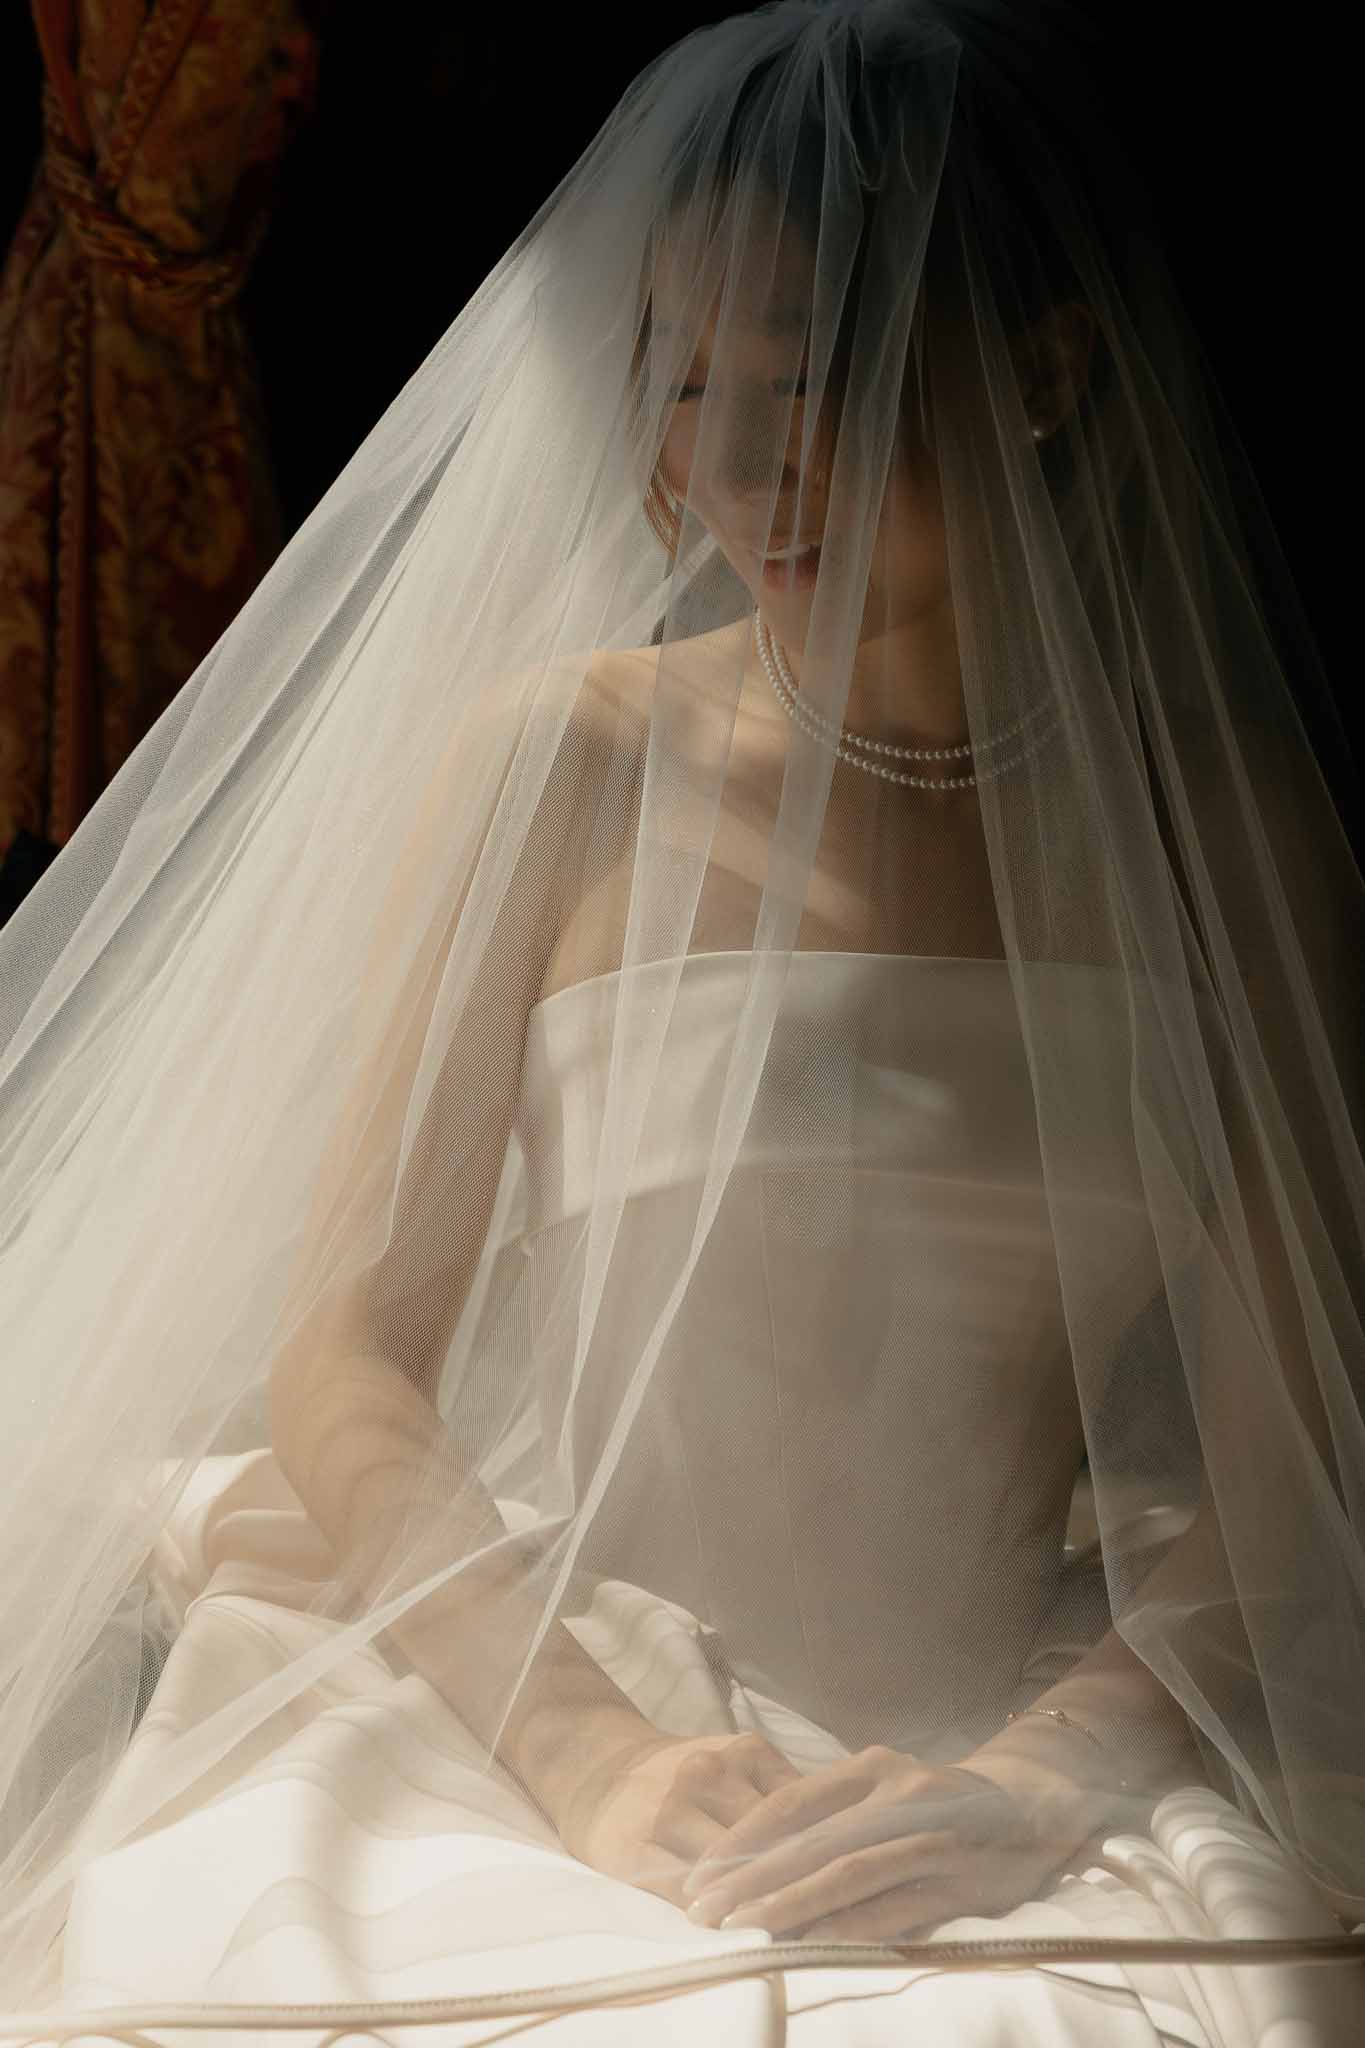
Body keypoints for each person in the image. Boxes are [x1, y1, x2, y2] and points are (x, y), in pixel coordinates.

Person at [1, 1, 1362, 2040]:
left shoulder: (1220, 829)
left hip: (1014, 1758)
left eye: (804, 377)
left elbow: (1284, 1476)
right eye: (683, 376)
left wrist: (1036, 1779)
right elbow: (349, 1351)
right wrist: (588, 1748)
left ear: (1049, 370)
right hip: (546, 1698)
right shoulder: (564, 759)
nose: (722, 464)